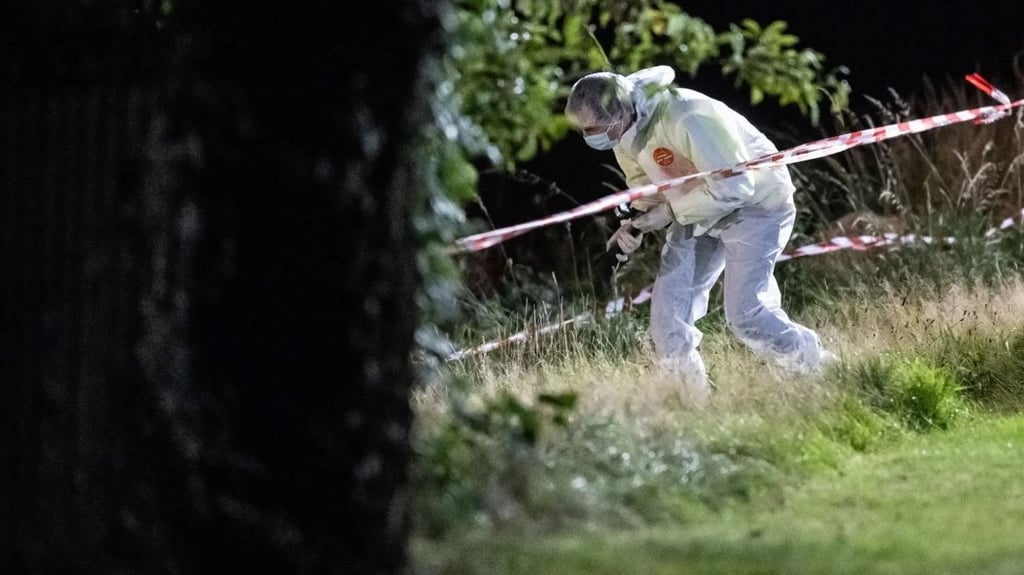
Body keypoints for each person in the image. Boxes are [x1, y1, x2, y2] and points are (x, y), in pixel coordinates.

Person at [564, 65, 837, 398]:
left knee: (746, 313)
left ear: (618, 113)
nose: (588, 137)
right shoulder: (622, 132)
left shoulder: (687, 115)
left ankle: (815, 368)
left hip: (756, 207)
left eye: (592, 128)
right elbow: (646, 185)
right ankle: (689, 400)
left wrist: (669, 211)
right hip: (694, 212)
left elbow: (736, 186)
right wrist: (635, 221)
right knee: (667, 321)